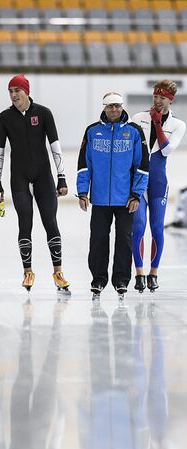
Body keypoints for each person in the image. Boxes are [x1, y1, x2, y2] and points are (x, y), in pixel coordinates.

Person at [0, 74, 70, 293]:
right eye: (10, 91)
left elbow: (55, 146)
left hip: (43, 177)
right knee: (24, 223)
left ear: (27, 91)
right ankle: (28, 272)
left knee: (50, 222)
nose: (14, 95)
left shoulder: (43, 113)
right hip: (19, 177)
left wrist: (61, 176)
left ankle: (58, 272)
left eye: (17, 90)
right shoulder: (4, 117)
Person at [76, 92, 149, 297]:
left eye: (117, 106)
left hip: (126, 199)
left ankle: (121, 280)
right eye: (110, 106)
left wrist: (136, 195)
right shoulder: (92, 131)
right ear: (104, 108)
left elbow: (142, 165)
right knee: (98, 239)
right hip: (99, 198)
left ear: (122, 106)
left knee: (124, 240)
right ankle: (98, 279)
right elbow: (84, 164)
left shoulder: (134, 132)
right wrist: (83, 192)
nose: (114, 110)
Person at [132, 80, 186, 292]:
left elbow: (165, 151)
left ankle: (153, 273)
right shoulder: (138, 118)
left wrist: (157, 124)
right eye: (155, 96)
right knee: (137, 227)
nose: (157, 101)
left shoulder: (178, 125)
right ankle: (139, 274)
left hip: (158, 182)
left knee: (156, 228)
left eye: (162, 98)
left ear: (170, 101)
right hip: (137, 182)